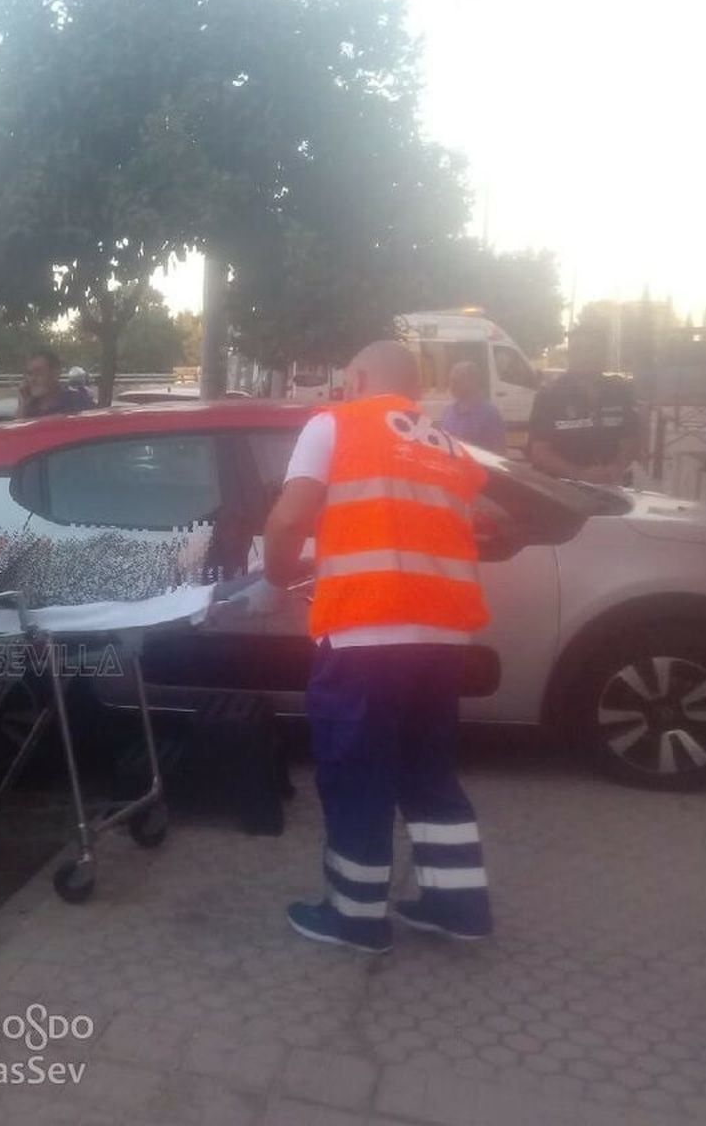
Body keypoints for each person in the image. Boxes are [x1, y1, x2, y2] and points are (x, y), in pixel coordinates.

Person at [226, 339, 493, 953]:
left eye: (346, 379)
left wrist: (271, 585)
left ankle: (355, 916)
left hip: (367, 635)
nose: (341, 389)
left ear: (362, 375)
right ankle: (459, 907)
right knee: (428, 771)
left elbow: (290, 519)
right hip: (443, 636)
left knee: (357, 772)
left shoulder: (336, 425)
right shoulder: (447, 445)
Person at [0, 473, 211, 611]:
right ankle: (170, 572)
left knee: (99, 543)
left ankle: (173, 554)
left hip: (9, 565)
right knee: (85, 569)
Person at [527, 327, 642, 483]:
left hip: (613, 488)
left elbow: (631, 440)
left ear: (601, 354)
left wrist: (616, 467)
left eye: (591, 349)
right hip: (562, 491)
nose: (584, 355)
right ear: (570, 355)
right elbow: (539, 452)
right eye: (577, 350)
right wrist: (580, 475)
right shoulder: (549, 395)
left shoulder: (620, 392)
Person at [438, 361, 507, 453]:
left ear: (473, 381)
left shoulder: (490, 415)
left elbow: (499, 454)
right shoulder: (447, 412)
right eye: (450, 381)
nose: (451, 386)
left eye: (456, 382)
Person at [17, 349, 94, 419]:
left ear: (55, 373)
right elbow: (18, 431)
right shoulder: (29, 407)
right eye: (30, 374)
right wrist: (23, 405)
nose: (32, 379)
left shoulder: (77, 401)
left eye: (39, 372)